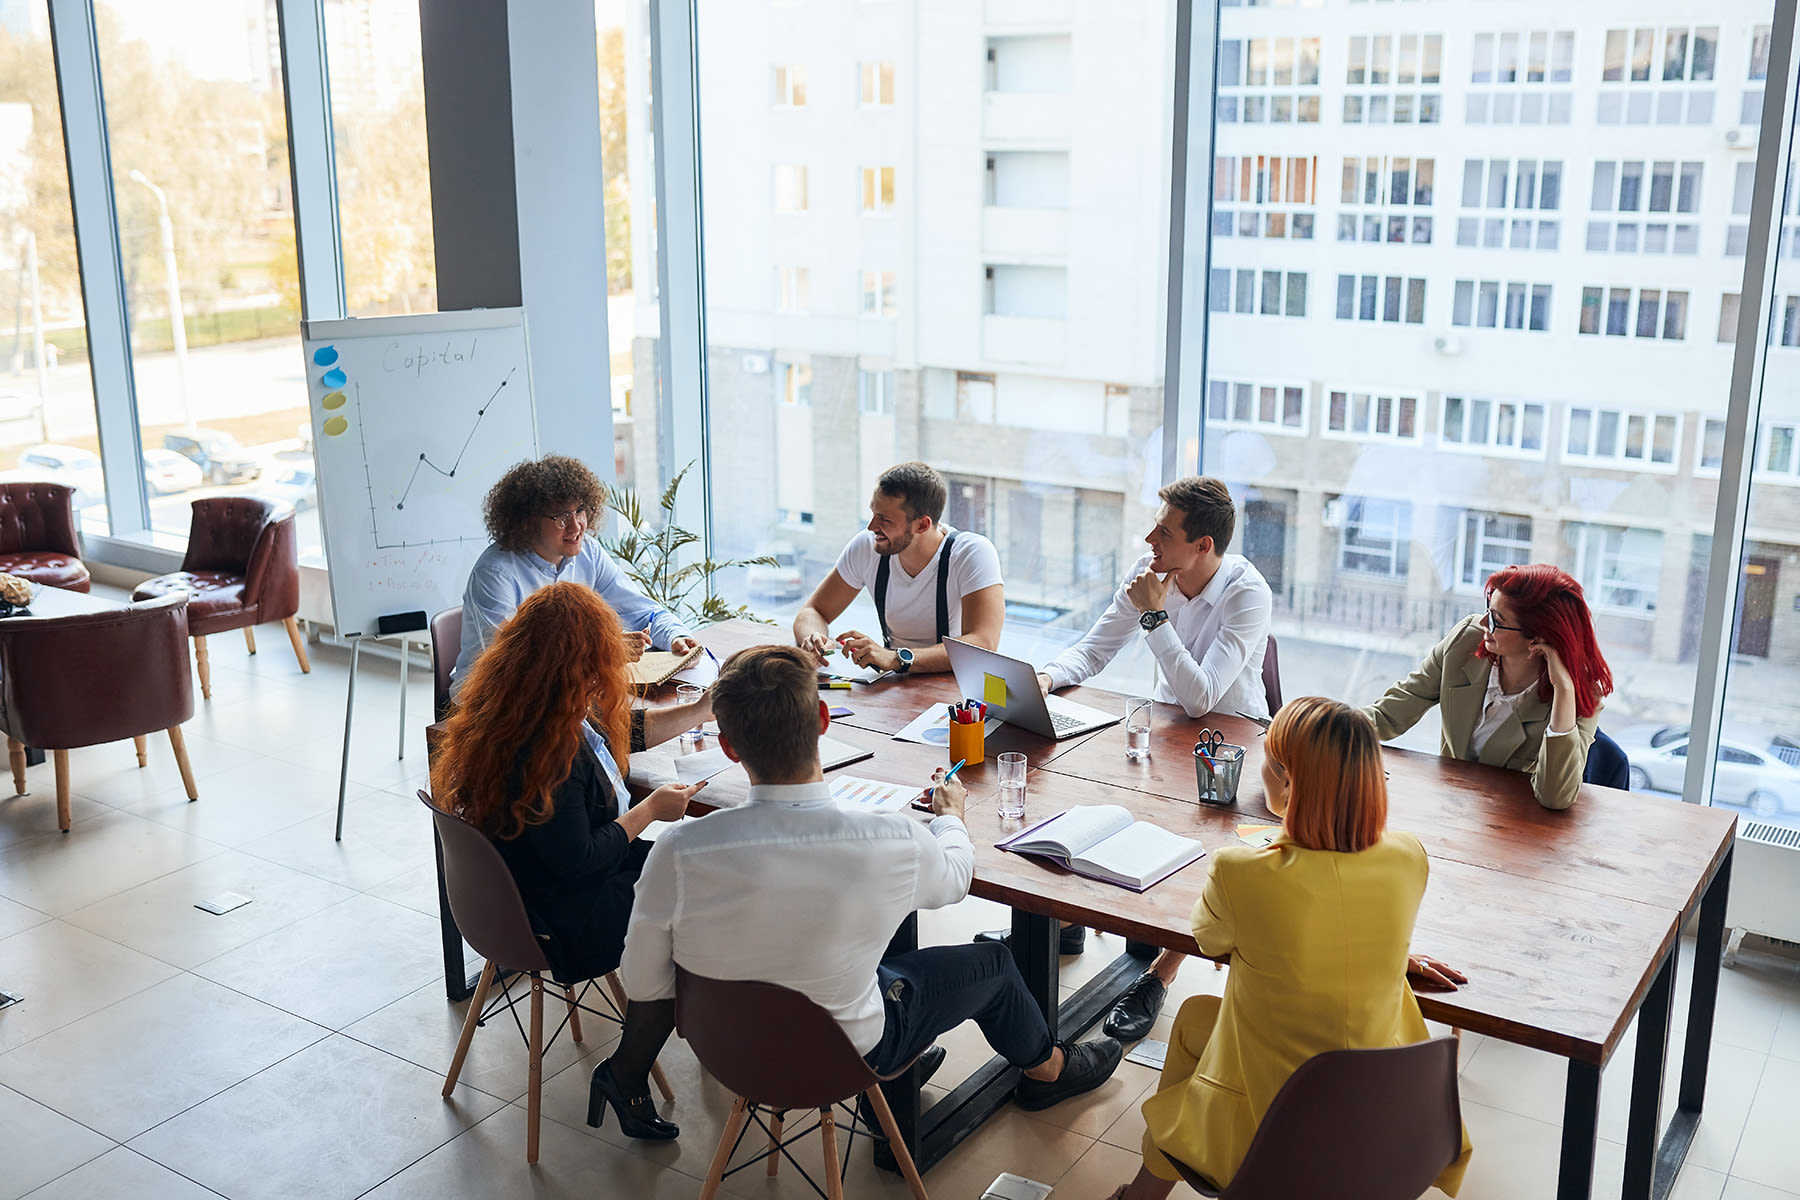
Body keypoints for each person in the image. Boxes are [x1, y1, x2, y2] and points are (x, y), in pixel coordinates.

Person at [619, 644, 1123, 1142]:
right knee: (991, 963)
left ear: (728, 746)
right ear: (822, 718)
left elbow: (643, 982)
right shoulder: (886, 838)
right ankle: (1049, 1070)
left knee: (843, 950)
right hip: (849, 1056)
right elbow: (954, 881)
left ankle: (917, 1060)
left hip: (728, 1053)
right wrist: (951, 819)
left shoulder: (677, 849)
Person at [1107, 697, 1473, 1200]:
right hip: (1387, 1111)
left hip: (1277, 1130)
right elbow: (1349, 908)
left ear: (1286, 780)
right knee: (1196, 1019)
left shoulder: (1242, 871)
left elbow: (1210, 938)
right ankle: (1144, 1191)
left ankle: (1147, 1192)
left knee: (1194, 1020)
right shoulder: (1409, 856)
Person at [989, 476, 1273, 1042]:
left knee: (1198, 858)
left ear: (1203, 547)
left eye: (1164, 532)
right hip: (1167, 734)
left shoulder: (1247, 593)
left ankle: (1159, 974)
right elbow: (1094, 649)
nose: (1149, 538)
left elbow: (1202, 697)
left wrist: (1153, 617)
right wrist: (1044, 678)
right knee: (1083, 802)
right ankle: (1062, 921)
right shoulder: (1147, 575)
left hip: (1232, 743)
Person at [434, 583, 712, 1141]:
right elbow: (580, 859)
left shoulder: (515, 707)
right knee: (701, 913)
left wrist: (703, 708)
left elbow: (615, 738)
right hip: (560, 916)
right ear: (578, 667)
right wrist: (651, 810)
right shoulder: (548, 750)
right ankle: (628, 1073)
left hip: (512, 894)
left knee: (695, 873)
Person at [1362, 563, 1612, 811]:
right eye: (1488, 609)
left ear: (1538, 637)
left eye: (1496, 620)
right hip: (1446, 809)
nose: (1483, 622)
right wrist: (1331, 729)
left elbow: (1555, 797)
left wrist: (1564, 691)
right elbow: (1389, 713)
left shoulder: (1581, 692)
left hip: (1512, 830)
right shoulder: (1465, 642)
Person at [452, 454, 699, 688]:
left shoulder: (589, 552)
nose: (576, 526)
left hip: (563, 693)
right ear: (527, 522)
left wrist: (676, 638)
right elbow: (512, 661)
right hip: (491, 702)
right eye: (561, 516)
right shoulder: (495, 572)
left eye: (580, 511)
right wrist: (602, 650)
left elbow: (644, 612)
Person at [793, 461, 1003, 676]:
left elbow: (983, 643)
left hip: (953, 688)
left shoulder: (971, 553)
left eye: (884, 519)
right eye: (873, 514)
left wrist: (896, 657)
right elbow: (812, 611)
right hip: (895, 685)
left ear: (922, 525)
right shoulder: (868, 546)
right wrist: (813, 638)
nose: (872, 527)